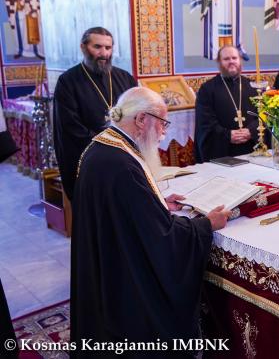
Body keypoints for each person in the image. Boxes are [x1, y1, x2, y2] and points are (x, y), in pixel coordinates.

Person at [72, 87, 230, 355]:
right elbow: (162, 238)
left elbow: (123, 209)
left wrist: (157, 202)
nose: (164, 133)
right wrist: (206, 225)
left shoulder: (103, 145)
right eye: (163, 123)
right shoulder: (121, 162)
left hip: (105, 265)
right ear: (142, 120)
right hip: (125, 289)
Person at [54, 27, 137, 201]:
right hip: (90, 161)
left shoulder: (125, 78)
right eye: (97, 47)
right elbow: (70, 127)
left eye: (108, 48)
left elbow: (137, 114)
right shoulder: (68, 82)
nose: (103, 53)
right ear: (83, 47)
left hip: (124, 160)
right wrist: (107, 147)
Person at [194, 45, 260, 162]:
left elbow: (262, 115)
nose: (231, 62)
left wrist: (251, 131)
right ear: (219, 62)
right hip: (222, 151)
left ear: (240, 60)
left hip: (251, 148)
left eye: (234, 58)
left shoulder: (253, 87)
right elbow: (205, 121)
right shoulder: (207, 89)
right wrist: (227, 135)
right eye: (226, 59)